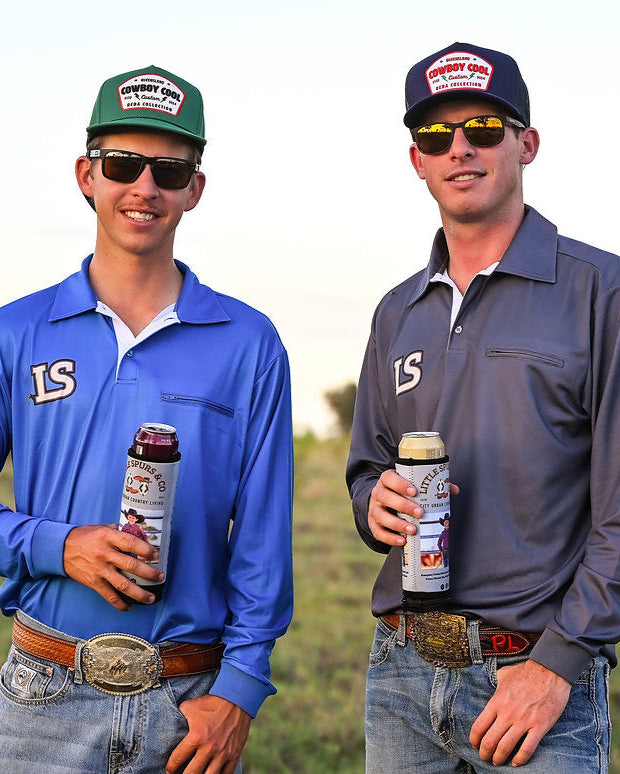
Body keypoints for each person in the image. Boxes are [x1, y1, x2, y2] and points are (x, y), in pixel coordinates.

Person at [0, 64, 293, 774]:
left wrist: (240, 690)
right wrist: (55, 546)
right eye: (123, 164)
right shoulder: (17, 332)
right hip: (42, 701)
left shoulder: (249, 343)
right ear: (87, 175)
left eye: (169, 171)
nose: (145, 188)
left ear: (195, 189)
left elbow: (263, 540)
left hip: (189, 704)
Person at [346, 41, 620, 773]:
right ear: (417, 160)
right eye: (436, 135)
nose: (459, 149)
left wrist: (557, 664)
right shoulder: (397, 311)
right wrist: (374, 503)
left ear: (527, 144)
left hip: (535, 684)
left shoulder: (601, 291)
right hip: (401, 675)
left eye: (484, 129)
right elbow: (366, 467)